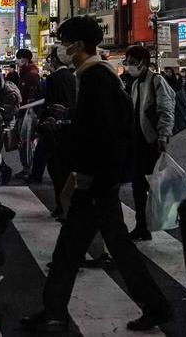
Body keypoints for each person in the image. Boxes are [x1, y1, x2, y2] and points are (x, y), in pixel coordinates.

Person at [21, 17, 171, 333]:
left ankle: (55, 311)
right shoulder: (96, 76)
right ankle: (152, 306)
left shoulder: (95, 78)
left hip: (96, 181)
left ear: (77, 44)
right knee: (87, 247)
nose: (59, 47)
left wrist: (89, 172)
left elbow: (104, 133)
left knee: (74, 248)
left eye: (63, 41)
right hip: (99, 179)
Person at [123, 44, 175, 241]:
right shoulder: (136, 83)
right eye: (127, 63)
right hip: (137, 141)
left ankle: (156, 221)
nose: (129, 66)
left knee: (153, 185)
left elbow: (166, 109)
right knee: (138, 186)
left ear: (143, 63)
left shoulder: (157, 80)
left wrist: (163, 136)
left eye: (132, 63)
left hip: (151, 142)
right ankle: (142, 226)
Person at [35, 41, 77, 217]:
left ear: (56, 59)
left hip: (54, 127)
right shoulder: (73, 76)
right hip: (70, 126)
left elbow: (50, 103)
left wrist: (42, 122)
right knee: (66, 168)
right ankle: (67, 204)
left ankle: (61, 205)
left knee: (55, 168)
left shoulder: (53, 79)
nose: (48, 62)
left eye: (50, 58)